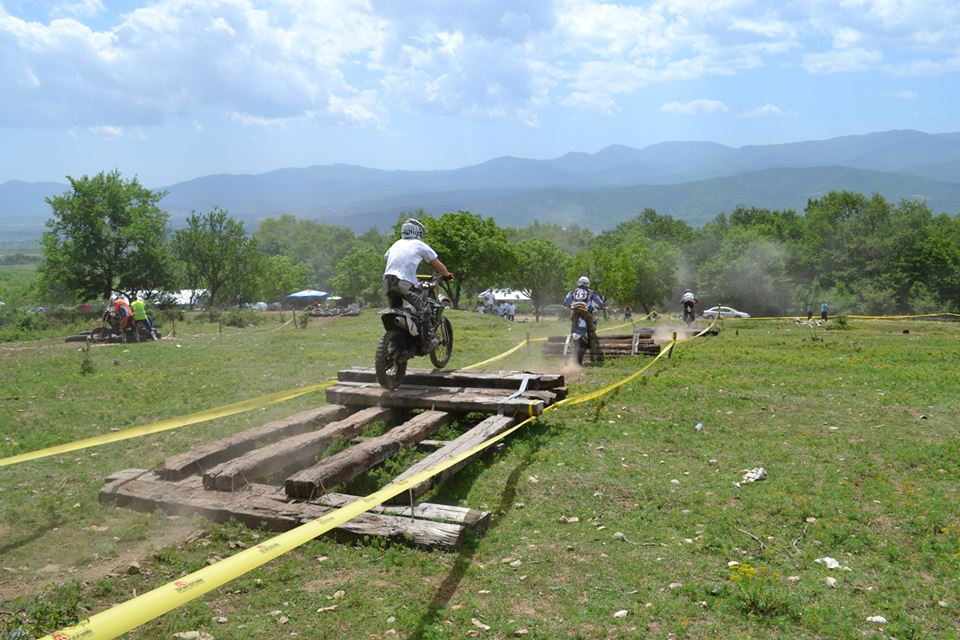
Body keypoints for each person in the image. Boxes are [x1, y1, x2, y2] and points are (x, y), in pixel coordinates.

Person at [383, 218, 453, 346]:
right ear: (418, 232)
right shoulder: (420, 245)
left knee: (396, 309)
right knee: (425, 310)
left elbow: (387, 260)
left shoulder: (396, 244)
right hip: (404, 283)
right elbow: (438, 265)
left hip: (388, 281)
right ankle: (427, 342)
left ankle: (398, 342)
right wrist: (447, 275)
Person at [563, 276, 604, 349]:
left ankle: (571, 341)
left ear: (578, 283)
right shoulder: (591, 292)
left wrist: (570, 306)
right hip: (586, 311)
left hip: (574, 311)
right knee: (591, 324)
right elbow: (600, 302)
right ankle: (591, 339)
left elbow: (565, 302)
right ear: (588, 284)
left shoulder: (573, 291)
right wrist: (600, 306)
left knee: (573, 324)